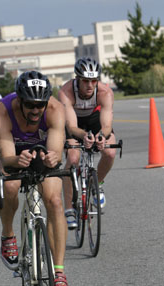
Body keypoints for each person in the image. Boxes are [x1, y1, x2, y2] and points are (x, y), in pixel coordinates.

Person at [0, 70, 70, 286]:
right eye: (30, 105)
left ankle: (59, 271)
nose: (36, 111)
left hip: (42, 149)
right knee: (10, 186)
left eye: (40, 105)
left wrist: (53, 157)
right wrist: (17, 160)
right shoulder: (2, 111)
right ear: (19, 100)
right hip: (12, 152)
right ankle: (8, 235)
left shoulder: (55, 110)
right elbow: (6, 157)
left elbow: (56, 149)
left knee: (54, 200)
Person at [58, 57, 116, 230]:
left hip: (94, 120)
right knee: (73, 158)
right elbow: (71, 126)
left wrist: (100, 137)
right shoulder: (66, 92)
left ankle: (98, 183)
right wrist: (84, 136)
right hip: (73, 123)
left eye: (93, 80)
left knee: (110, 152)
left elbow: (106, 126)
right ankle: (69, 208)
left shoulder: (105, 93)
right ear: (77, 79)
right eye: (85, 81)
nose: (90, 85)